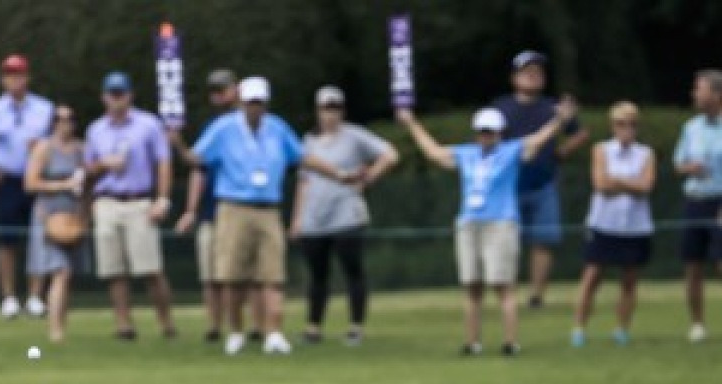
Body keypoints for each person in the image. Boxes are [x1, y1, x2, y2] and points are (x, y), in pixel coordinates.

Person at [397, 98, 576, 356]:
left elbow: (537, 140)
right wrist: (412, 124)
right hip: (470, 222)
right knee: (472, 285)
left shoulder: (511, 151)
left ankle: (510, 342)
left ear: (499, 132)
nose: (486, 136)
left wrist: (558, 121)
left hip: (501, 223)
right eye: (482, 131)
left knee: (503, 285)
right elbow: (434, 152)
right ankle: (472, 342)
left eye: (490, 131)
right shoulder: (466, 153)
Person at [190, 76, 354, 356]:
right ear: (241, 101)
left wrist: (338, 174)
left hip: (268, 207)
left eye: (259, 103)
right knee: (231, 275)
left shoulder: (277, 128)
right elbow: (198, 158)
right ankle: (237, 332)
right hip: (233, 205)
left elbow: (302, 157)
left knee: (273, 274)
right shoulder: (223, 129)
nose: (255, 108)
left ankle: (274, 332)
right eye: (250, 102)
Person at [289, 85, 399, 346]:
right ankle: (313, 326)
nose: (330, 114)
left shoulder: (354, 136)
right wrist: (297, 219)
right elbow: (303, 182)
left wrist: (370, 178)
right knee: (317, 275)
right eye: (326, 109)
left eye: (335, 108)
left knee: (352, 271)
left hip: (346, 215)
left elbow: (390, 155)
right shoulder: (308, 142)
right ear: (317, 111)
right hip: (315, 218)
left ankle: (355, 326)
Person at [491, 51, 589, 309]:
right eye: (528, 71)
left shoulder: (551, 108)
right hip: (508, 187)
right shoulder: (501, 108)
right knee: (507, 242)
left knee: (542, 241)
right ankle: (507, 293)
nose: (534, 76)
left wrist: (562, 151)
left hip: (543, 183)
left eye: (539, 71)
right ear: (514, 77)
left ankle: (536, 296)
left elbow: (580, 134)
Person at [84, 71, 176, 340]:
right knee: (114, 269)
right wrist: (103, 165)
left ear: (130, 96)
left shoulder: (148, 124)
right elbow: (88, 170)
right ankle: (124, 324)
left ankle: (165, 322)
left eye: (121, 94)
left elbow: (163, 162)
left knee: (150, 268)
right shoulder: (95, 130)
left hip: (139, 200)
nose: (117, 100)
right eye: (112, 95)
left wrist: (163, 198)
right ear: (104, 98)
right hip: (107, 200)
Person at [571, 102, 655, 347]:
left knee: (629, 279)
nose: (626, 129)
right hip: (603, 224)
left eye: (631, 124)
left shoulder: (645, 153)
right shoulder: (601, 150)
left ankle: (622, 330)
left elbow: (646, 187)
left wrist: (617, 181)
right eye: (620, 124)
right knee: (592, 276)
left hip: (635, 226)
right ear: (612, 126)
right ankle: (579, 328)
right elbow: (600, 184)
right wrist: (631, 183)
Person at [172, 68, 245, 343]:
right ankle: (215, 325)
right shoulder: (211, 128)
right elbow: (198, 168)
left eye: (223, 89)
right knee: (210, 272)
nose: (218, 95)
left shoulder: (251, 124)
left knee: (239, 273)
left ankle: (243, 325)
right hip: (211, 210)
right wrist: (191, 210)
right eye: (214, 90)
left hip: (239, 206)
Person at [0, 54, 54, 319]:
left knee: (39, 239)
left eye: (20, 74)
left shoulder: (44, 108)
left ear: (27, 77)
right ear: (3, 79)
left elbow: (52, 144)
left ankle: (36, 296)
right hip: (8, 180)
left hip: (37, 181)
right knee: (7, 240)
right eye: (10, 75)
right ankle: (9, 297)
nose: (15, 80)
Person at [24, 104, 88, 343]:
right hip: (47, 216)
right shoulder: (44, 148)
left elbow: (86, 186)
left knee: (68, 274)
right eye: (59, 119)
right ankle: (55, 330)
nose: (65, 123)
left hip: (72, 216)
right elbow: (30, 183)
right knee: (60, 271)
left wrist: (85, 215)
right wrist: (62, 185)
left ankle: (61, 324)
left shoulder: (81, 149)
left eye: (70, 118)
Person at [673, 68, 722, 344]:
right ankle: (697, 324)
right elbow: (679, 164)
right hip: (695, 201)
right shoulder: (690, 128)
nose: (694, 94)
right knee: (692, 266)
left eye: (699, 89)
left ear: (716, 94)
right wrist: (689, 167)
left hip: (720, 201)